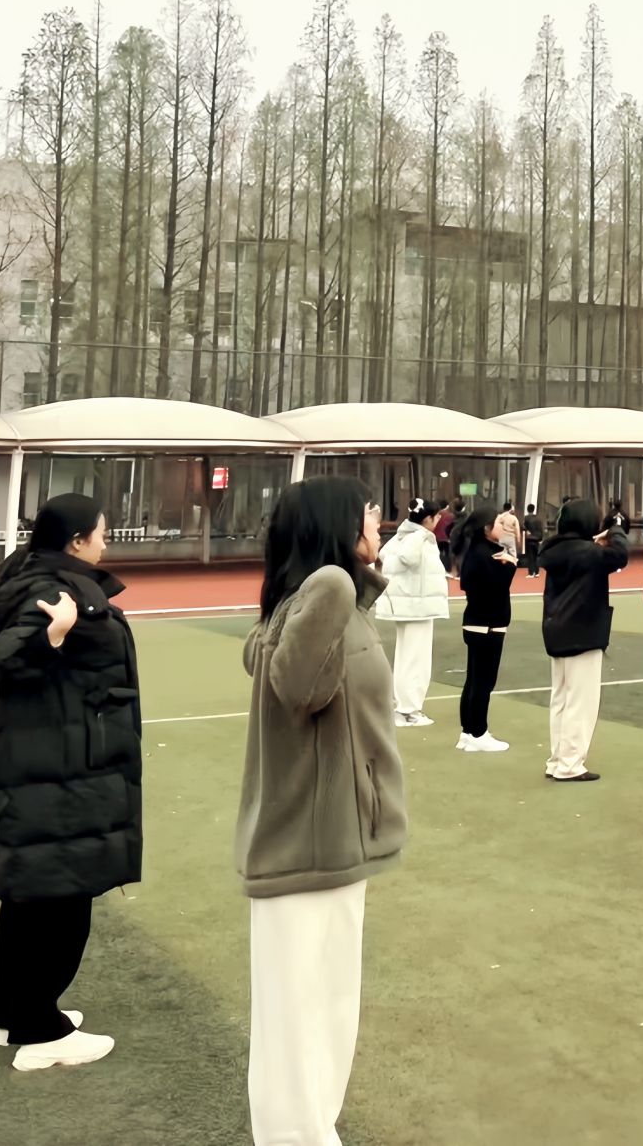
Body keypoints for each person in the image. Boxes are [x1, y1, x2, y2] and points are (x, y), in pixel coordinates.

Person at [239, 478, 405, 1146]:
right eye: (367, 512)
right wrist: (342, 583)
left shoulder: (326, 597)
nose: (378, 521)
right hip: (307, 838)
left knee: (328, 1009)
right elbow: (301, 688)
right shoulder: (327, 589)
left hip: (335, 835)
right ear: (335, 524)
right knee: (299, 1017)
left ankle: (312, 1133)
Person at [0, 493, 138, 1071]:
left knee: (35, 893)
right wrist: (55, 634)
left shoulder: (34, 577)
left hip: (48, 758)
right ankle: (38, 1029)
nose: (105, 543)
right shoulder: (54, 591)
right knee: (59, 896)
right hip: (59, 766)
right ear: (76, 540)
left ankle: (17, 1015)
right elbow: (6, 659)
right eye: (101, 533)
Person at [539, 499, 629, 783]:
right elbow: (620, 556)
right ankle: (570, 764)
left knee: (561, 698)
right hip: (583, 631)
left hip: (556, 629)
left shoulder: (554, 549)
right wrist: (615, 530)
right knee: (581, 702)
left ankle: (558, 759)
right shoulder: (588, 553)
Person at [376, 497, 450, 728]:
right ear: (428, 519)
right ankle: (409, 709)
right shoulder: (419, 537)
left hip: (411, 606)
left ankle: (404, 707)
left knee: (406, 658)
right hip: (417, 607)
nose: (438, 520)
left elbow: (384, 554)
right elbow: (407, 558)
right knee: (416, 660)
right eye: (436, 516)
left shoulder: (403, 535)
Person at [452, 505, 518, 753]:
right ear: (486, 528)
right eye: (499, 523)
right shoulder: (488, 554)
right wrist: (511, 565)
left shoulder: (476, 551)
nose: (503, 526)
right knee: (483, 681)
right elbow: (496, 587)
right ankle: (478, 732)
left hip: (477, 622)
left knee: (474, 679)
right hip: (488, 624)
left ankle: (468, 732)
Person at [521, 503, 545, 579]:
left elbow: (523, 527)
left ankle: (531, 573)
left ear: (527, 509)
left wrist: (526, 530)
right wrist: (541, 538)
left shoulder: (526, 518)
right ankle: (537, 572)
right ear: (534, 509)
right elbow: (541, 529)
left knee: (530, 557)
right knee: (536, 556)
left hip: (529, 539)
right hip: (537, 539)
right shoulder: (538, 518)